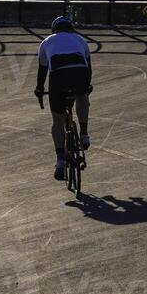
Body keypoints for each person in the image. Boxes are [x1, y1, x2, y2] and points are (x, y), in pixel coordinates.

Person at [35, 15, 92, 182]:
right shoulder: (81, 40)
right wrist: (86, 88)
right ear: (71, 29)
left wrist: (39, 90)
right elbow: (88, 67)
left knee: (57, 121)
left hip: (58, 77)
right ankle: (84, 133)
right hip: (80, 72)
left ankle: (60, 161)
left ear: (54, 30)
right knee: (82, 95)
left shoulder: (46, 42)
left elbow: (42, 72)